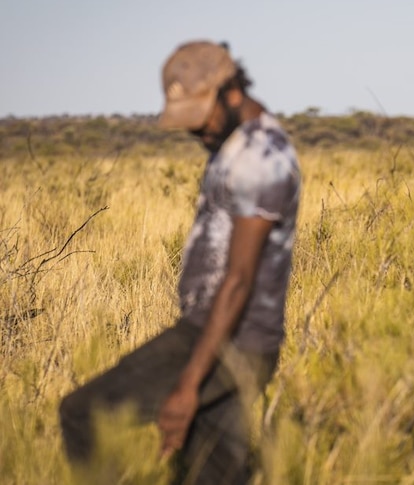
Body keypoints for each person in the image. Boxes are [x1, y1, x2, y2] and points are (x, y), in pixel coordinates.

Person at [59, 40, 301, 484]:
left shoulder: (261, 159)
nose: (197, 132)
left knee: (84, 415)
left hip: (230, 341)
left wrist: (188, 385)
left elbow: (239, 280)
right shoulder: (233, 141)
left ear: (231, 92)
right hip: (220, 333)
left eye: (201, 118)